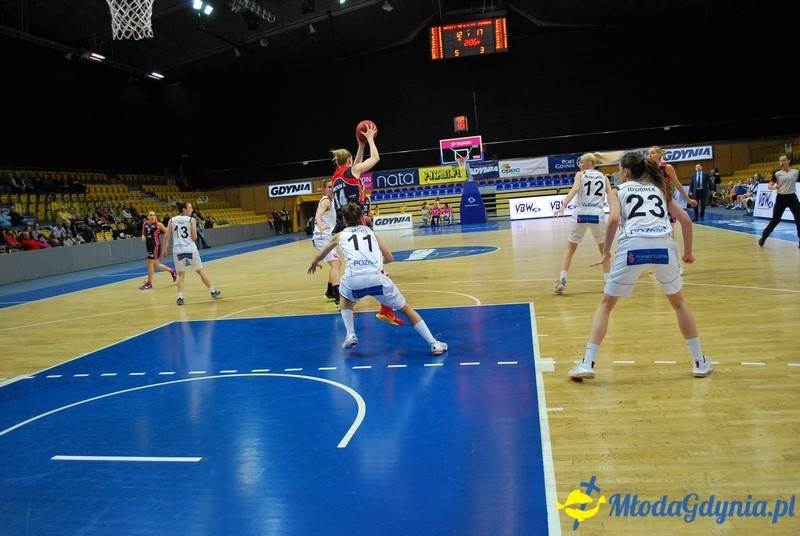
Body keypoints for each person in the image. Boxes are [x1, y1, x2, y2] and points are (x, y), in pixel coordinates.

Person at [568, 152, 712, 381]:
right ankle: (699, 361)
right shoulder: (660, 189)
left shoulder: (619, 191)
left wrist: (606, 252)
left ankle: (587, 363)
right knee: (678, 304)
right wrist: (688, 252)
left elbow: (614, 220)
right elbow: (685, 220)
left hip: (632, 248)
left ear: (625, 171)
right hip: (664, 247)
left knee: (606, 306)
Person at [308, 202, 448, 356]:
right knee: (406, 309)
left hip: (354, 280)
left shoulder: (339, 236)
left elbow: (320, 254)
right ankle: (434, 344)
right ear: (362, 217)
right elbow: (390, 258)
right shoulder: (371, 232)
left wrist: (314, 263)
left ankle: (350, 334)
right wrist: (376, 261)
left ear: (344, 220)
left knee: (344, 296)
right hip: (377, 280)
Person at [330, 121, 404, 327]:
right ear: (350, 160)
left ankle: (347, 304)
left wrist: (360, 145)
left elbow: (356, 168)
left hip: (343, 223)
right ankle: (386, 309)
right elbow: (376, 158)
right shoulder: (350, 172)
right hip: (357, 222)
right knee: (376, 263)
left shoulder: (337, 175)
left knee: (357, 264)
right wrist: (370, 139)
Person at [552, 152, 613, 294]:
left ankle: (562, 280)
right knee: (604, 251)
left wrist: (563, 206)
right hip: (597, 214)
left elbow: (574, 190)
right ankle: (608, 282)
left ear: (590, 163)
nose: (580, 165)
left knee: (570, 250)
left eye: (582, 162)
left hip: (581, 213)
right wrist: (619, 215)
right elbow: (610, 196)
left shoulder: (580, 175)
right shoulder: (604, 178)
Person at [162, 202, 221, 306]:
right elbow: (194, 237)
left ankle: (180, 297)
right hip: (190, 248)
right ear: (184, 209)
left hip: (178, 250)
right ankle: (212, 291)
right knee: (200, 271)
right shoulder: (191, 220)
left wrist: (164, 250)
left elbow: (166, 236)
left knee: (180, 274)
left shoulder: (172, 220)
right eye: (190, 207)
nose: (192, 209)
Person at [758, 154, 800, 248]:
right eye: (780, 161)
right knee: (775, 220)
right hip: (781, 198)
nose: (782, 163)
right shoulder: (777, 173)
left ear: (788, 161)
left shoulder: (796, 172)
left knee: (799, 219)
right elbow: (770, 185)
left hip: (792, 197)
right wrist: (774, 187)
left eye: (784, 160)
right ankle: (763, 237)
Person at [312, 179, 342, 305]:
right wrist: (321, 226)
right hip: (321, 236)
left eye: (333, 186)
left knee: (338, 263)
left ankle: (329, 293)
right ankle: (338, 299)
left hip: (327, 236)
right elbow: (318, 216)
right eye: (329, 187)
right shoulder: (325, 201)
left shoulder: (333, 200)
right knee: (335, 264)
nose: (332, 188)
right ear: (325, 189)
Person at [140, 211, 177, 291]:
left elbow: (167, 231)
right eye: (151, 215)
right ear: (147, 216)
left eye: (154, 215)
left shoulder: (158, 224)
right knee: (156, 265)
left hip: (155, 245)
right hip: (148, 246)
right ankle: (172, 271)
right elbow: (143, 233)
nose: (152, 216)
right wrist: (143, 236)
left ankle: (149, 283)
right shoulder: (145, 224)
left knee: (149, 263)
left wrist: (166, 242)